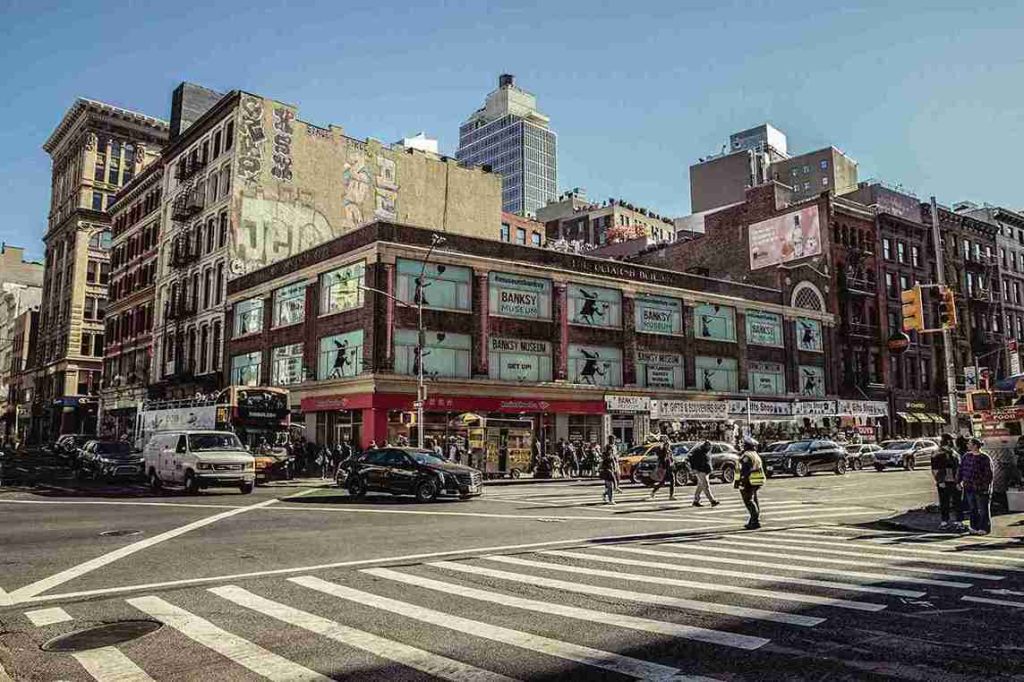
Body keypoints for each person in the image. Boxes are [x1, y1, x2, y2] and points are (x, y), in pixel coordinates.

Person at [958, 436, 994, 535]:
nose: (967, 445)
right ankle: (974, 527)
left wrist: (985, 487)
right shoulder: (966, 456)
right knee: (972, 508)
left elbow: (988, 474)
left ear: (975, 446)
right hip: (969, 487)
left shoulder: (984, 458)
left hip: (981, 488)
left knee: (983, 509)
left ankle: (984, 528)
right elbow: (961, 469)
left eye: (969, 443)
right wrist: (959, 481)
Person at [932, 434, 964, 531]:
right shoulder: (939, 453)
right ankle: (947, 521)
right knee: (947, 502)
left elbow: (959, 468)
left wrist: (959, 481)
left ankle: (955, 521)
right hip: (946, 480)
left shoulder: (953, 452)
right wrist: (940, 480)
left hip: (953, 481)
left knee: (954, 502)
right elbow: (935, 469)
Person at [735, 436, 766, 529]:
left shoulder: (747, 456)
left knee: (748, 501)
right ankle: (753, 520)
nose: (742, 447)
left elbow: (745, 470)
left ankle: (755, 521)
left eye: (743, 445)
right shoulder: (754, 454)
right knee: (754, 500)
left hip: (749, 481)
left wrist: (741, 482)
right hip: (757, 480)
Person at [688, 440, 719, 508]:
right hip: (700, 470)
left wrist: (710, 469)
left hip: (705, 470)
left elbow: (708, 461)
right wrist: (694, 469)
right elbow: (691, 458)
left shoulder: (706, 451)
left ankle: (696, 501)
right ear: (706, 446)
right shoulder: (698, 452)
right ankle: (712, 501)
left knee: (700, 486)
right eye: (709, 446)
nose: (710, 448)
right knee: (706, 485)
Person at [599, 437, 619, 505]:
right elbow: (604, 461)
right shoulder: (607, 455)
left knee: (610, 486)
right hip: (608, 471)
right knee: (610, 486)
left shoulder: (612, 451)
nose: (612, 451)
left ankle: (605, 495)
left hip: (611, 470)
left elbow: (615, 460)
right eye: (611, 450)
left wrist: (616, 467)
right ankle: (610, 499)